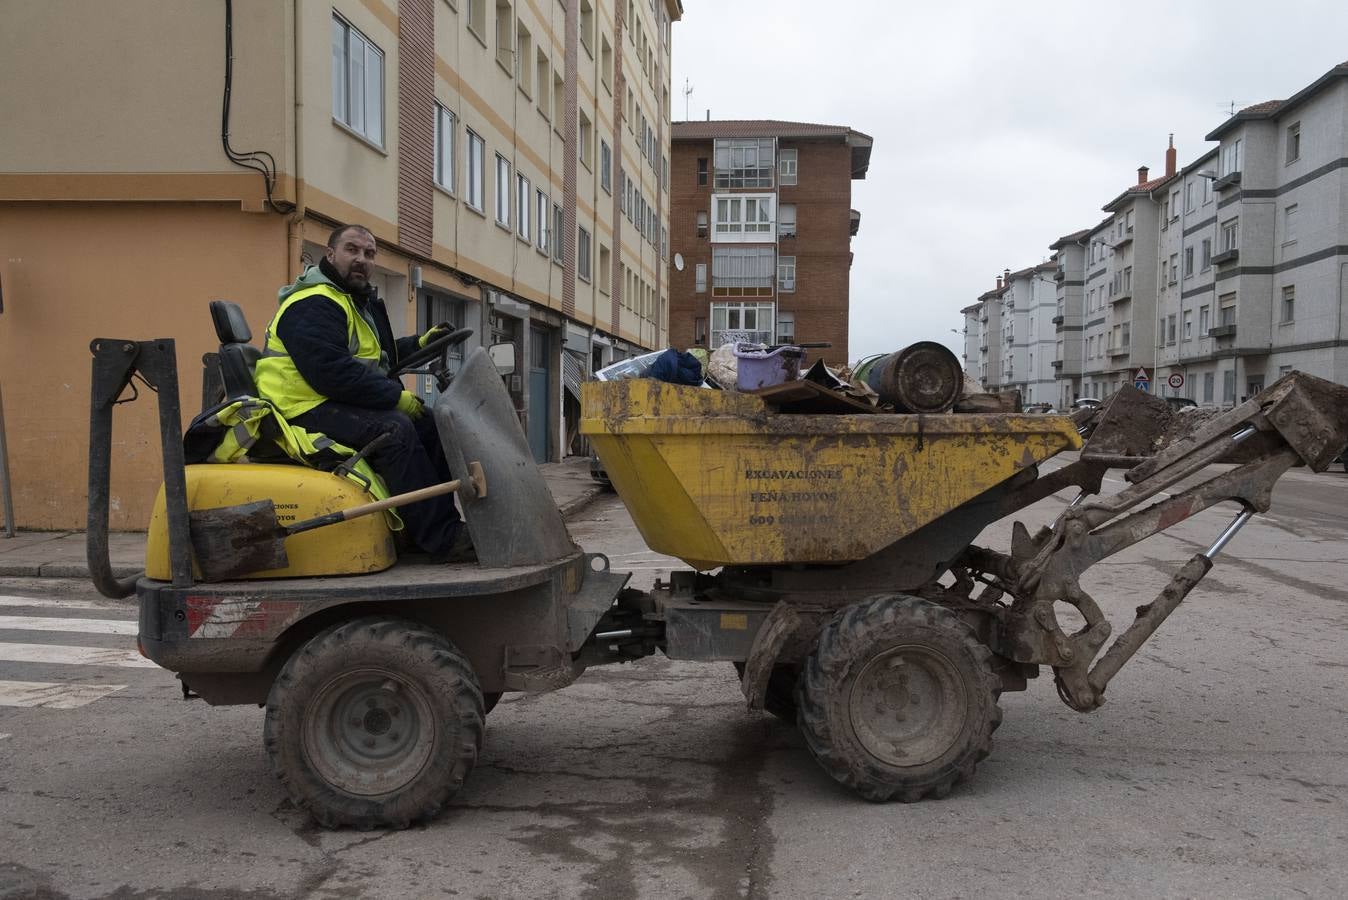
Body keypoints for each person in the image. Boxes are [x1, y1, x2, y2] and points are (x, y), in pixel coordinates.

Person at [253, 223, 473, 562]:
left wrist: (421, 343)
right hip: (299, 406)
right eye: (352, 250)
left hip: (327, 399)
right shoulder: (314, 303)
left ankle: (432, 528)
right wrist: (395, 398)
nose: (361, 259)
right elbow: (332, 371)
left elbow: (375, 357)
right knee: (395, 431)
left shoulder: (352, 302)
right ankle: (442, 539)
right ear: (330, 254)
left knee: (432, 425)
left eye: (369, 254)